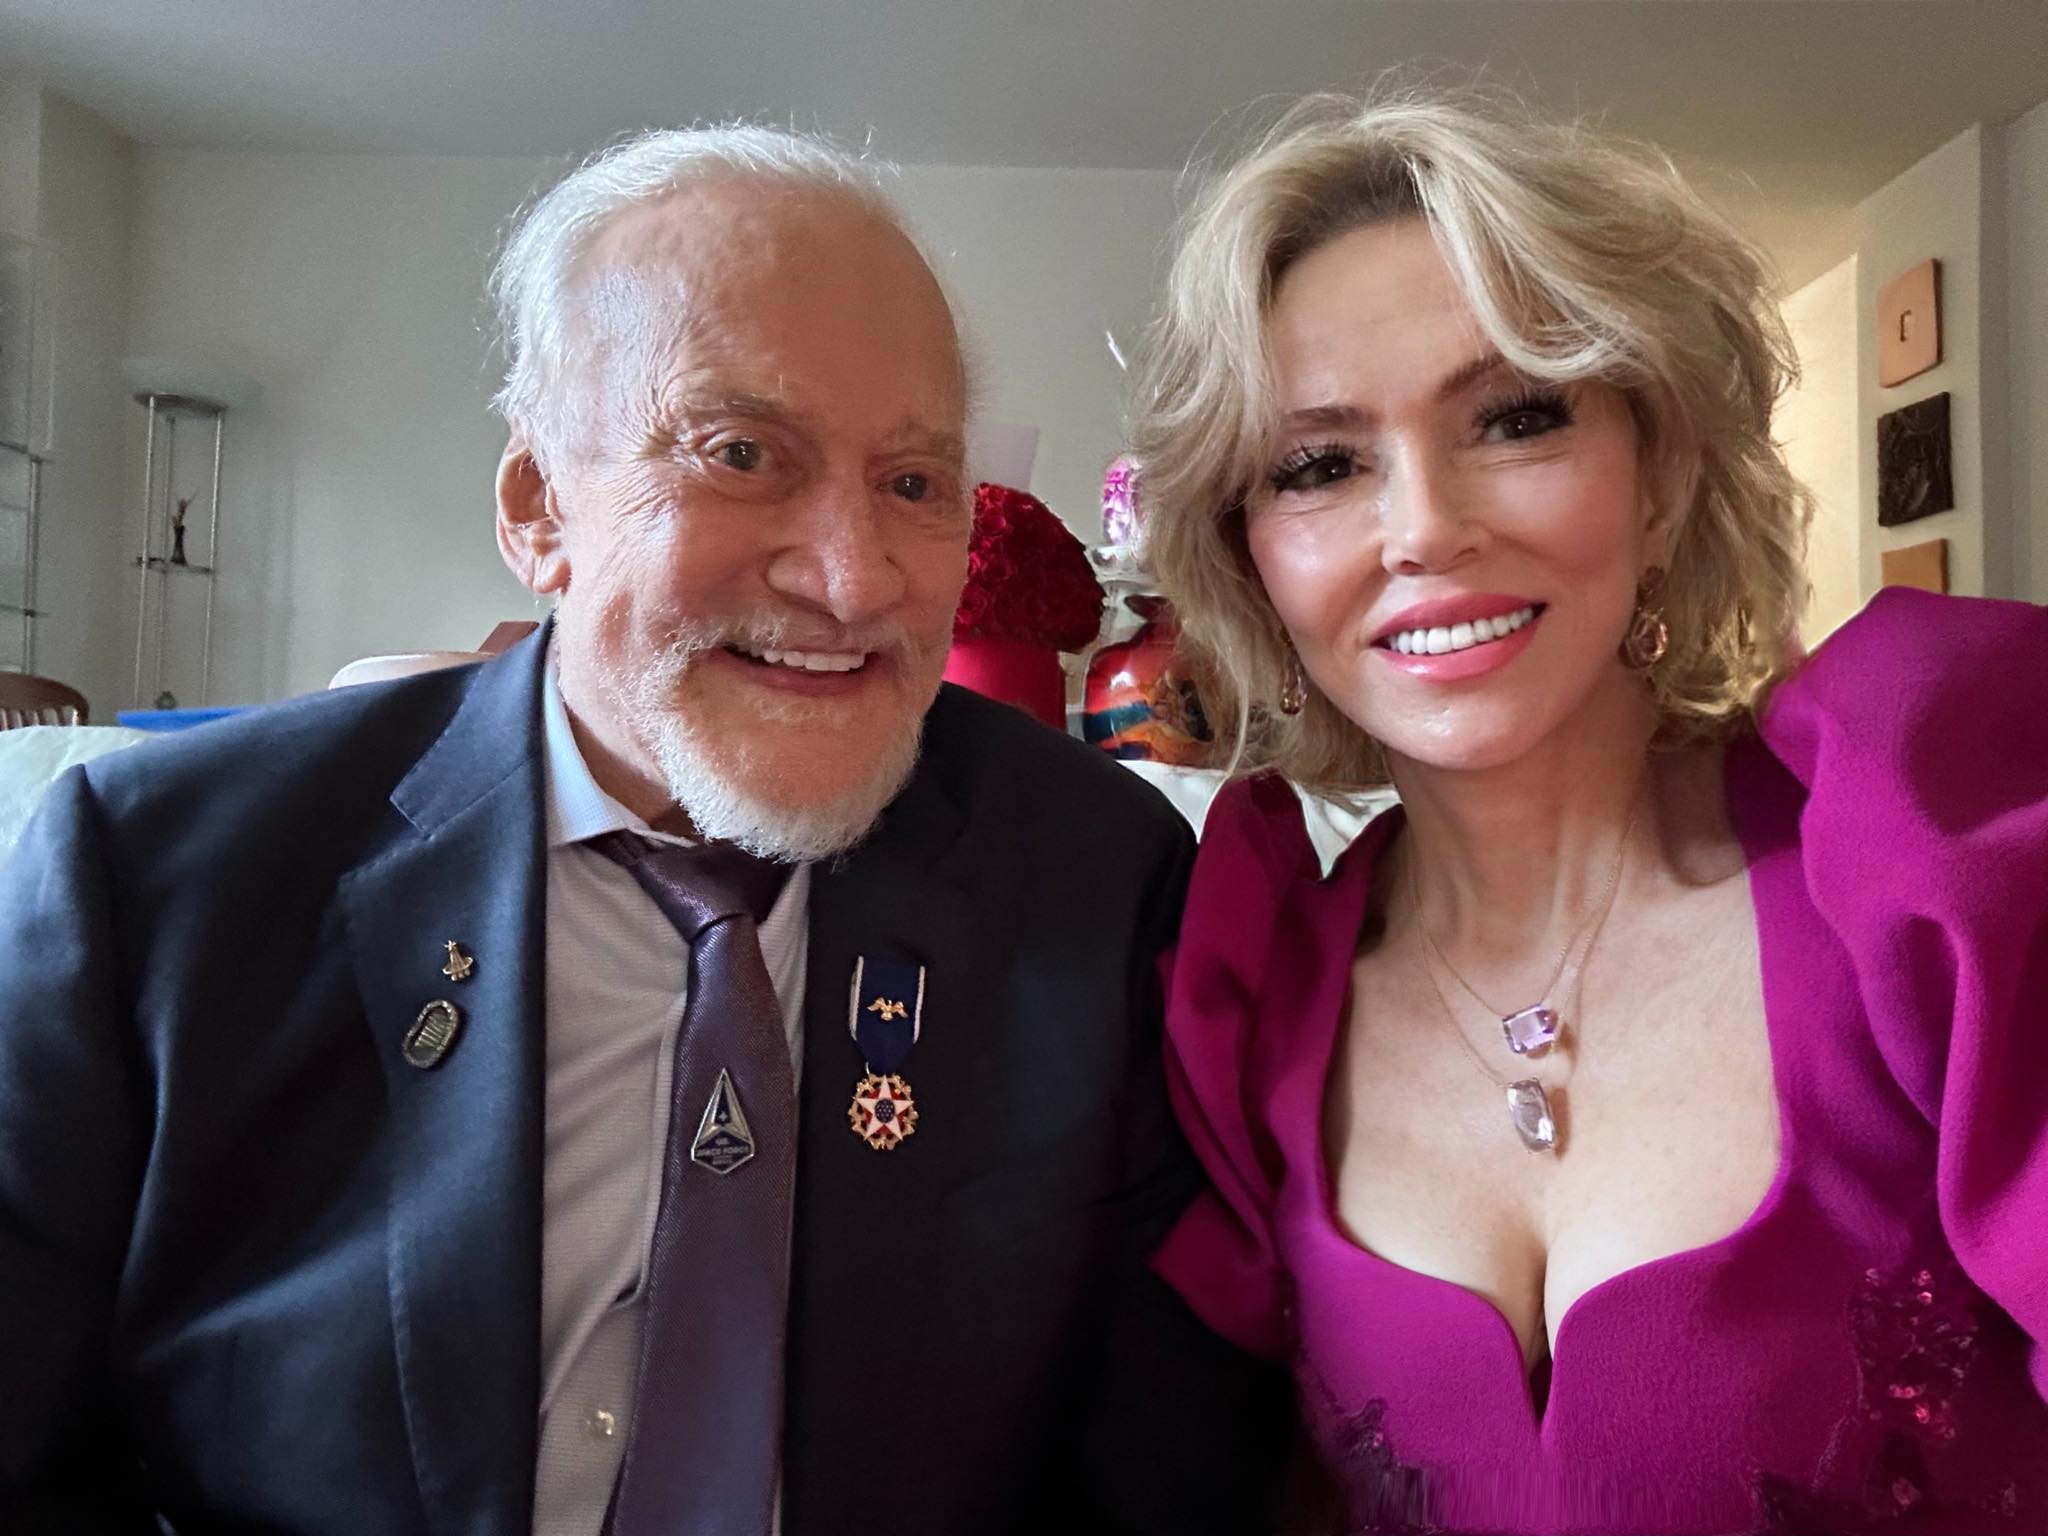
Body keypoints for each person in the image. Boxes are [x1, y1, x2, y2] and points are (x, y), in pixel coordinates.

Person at [0, 125, 1288, 1532]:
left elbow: (1159, 1474)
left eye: (914, 483)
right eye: (742, 454)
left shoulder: (1095, 877)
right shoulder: (158, 878)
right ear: (539, 507)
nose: (854, 580)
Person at [1128, 81, 2048, 1531]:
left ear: (1659, 480)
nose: (1425, 526)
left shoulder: (1931, 868)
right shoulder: (1249, 999)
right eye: (1319, 464)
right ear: (1253, 560)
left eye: (1514, 418)